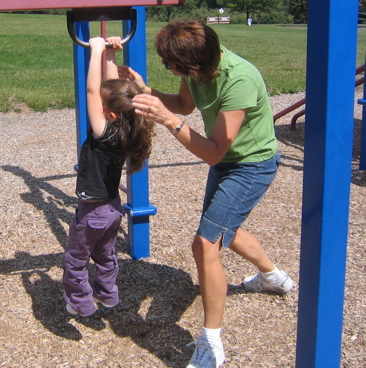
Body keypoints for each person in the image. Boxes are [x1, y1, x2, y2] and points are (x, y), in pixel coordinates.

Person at [120, 19, 294, 367]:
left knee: (204, 243)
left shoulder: (239, 80)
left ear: (195, 63)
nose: (170, 70)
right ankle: (273, 278)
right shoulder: (196, 71)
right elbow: (184, 106)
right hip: (228, 162)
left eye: (173, 66)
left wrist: (168, 121)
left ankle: (210, 343)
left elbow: (213, 150)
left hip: (251, 165)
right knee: (223, 232)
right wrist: (147, 90)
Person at [62, 36, 154, 317]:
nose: (96, 103)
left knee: (76, 259)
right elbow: (112, 91)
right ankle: (108, 294)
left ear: (110, 114)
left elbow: (92, 91)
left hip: (92, 211)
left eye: (101, 105)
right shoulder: (128, 127)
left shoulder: (103, 133)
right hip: (113, 208)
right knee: (105, 254)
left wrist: (97, 50)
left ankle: (80, 303)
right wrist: (111, 56)